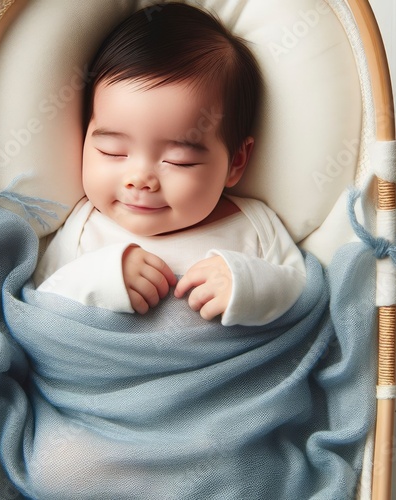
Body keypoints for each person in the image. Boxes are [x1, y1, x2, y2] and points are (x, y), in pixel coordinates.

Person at [33, 2, 306, 326]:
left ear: (236, 161)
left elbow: (300, 294)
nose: (139, 179)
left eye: (178, 160)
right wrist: (103, 277)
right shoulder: (84, 228)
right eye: (113, 151)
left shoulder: (255, 226)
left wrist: (247, 283)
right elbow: (42, 304)